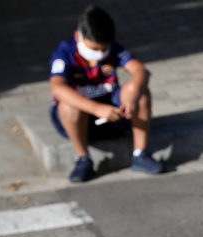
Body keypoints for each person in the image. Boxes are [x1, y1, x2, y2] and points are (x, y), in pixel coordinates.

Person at [49, 5, 164, 182]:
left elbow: (141, 71)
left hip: (115, 116)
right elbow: (57, 88)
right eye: (95, 49)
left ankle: (141, 154)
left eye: (105, 48)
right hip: (81, 121)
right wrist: (96, 109)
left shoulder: (115, 49)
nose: (101, 53)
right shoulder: (65, 53)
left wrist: (132, 100)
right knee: (67, 105)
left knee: (140, 91)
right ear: (78, 36)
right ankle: (83, 159)